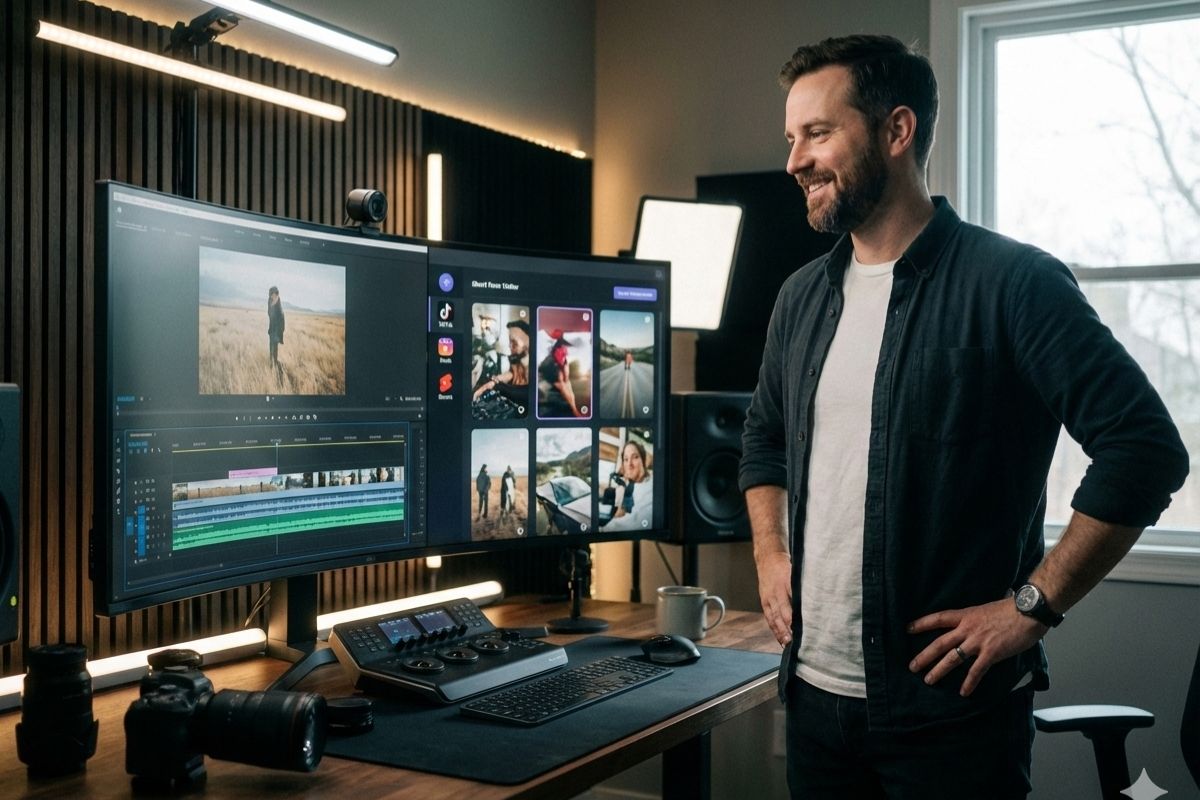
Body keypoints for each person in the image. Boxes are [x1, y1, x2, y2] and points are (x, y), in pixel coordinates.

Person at [737, 34, 1188, 799]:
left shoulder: (1015, 282)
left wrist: (1031, 609)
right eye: (791, 139)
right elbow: (764, 441)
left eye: (817, 133)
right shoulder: (800, 299)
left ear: (896, 130)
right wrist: (769, 554)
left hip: (950, 719)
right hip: (814, 704)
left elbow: (1144, 450)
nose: (794, 162)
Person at [600, 439, 654, 532]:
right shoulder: (625, 488)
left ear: (644, 460)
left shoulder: (652, 486)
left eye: (635, 457)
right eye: (626, 459)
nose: (629, 464)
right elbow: (619, 514)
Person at [472, 320, 531, 404]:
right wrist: (493, 383)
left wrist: (497, 386)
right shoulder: (517, 365)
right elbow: (509, 375)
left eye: (514, 342)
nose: (510, 346)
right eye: (510, 342)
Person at [538, 328, 583, 417]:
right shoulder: (550, 363)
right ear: (556, 349)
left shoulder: (563, 361)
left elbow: (566, 382)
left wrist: (574, 407)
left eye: (565, 351)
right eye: (562, 350)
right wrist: (574, 410)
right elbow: (562, 385)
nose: (565, 353)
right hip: (546, 399)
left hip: (558, 392)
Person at [267, 286, 285, 377]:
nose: (271, 296)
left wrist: (280, 332)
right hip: (272, 330)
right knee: (271, 348)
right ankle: (272, 364)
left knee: (275, 349)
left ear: (276, 293)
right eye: (271, 294)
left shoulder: (279, 304)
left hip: (277, 330)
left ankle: (275, 364)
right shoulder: (270, 301)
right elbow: (269, 314)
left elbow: (281, 317)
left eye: (273, 294)